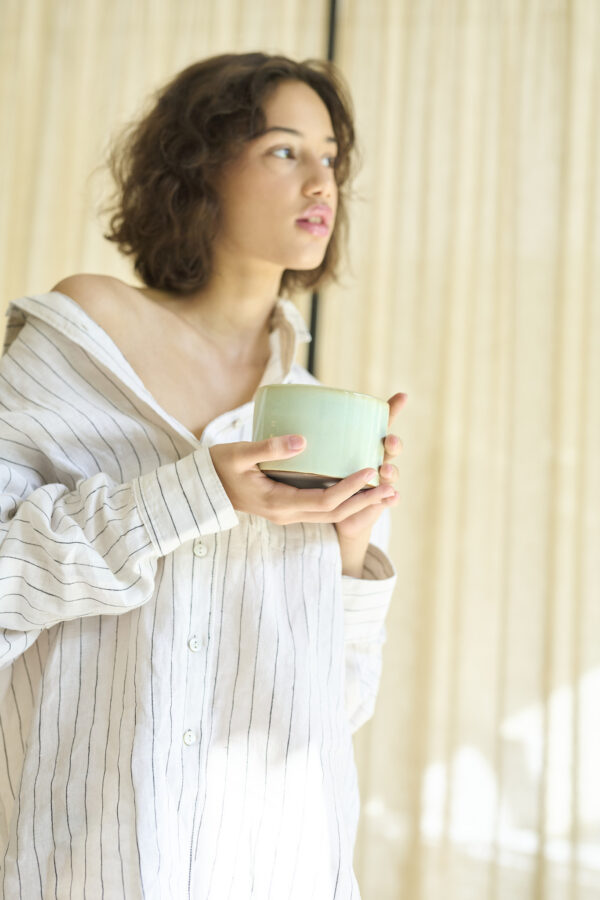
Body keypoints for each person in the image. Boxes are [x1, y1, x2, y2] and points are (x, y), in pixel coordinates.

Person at [0, 52, 404, 899]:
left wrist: (349, 551)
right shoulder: (85, 336)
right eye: (284, 150)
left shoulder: (322, 416)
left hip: (281, 868)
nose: (322, 183)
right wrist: (198, 493)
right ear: (199, 169)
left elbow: (338, 707)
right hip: (95, 866)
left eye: (331, 158)